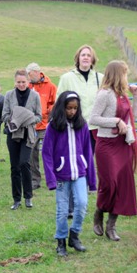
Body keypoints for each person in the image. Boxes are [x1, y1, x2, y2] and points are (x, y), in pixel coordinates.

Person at [89, 61, 137, 240]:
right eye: (125, 74)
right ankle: (99, 211)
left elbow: (134, 117)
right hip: (106, 145)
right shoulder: (104, 94)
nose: (127, 78)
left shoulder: (123, 95)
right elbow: (94, 118)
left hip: (122, 145)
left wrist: (135, 96)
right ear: (118, 75)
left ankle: (111, 226)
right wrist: (116, 121)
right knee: (109, 183)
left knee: (121, 185)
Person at [42, 92, 96, 256]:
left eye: (75, 108)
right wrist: (51, 179)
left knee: (82, 204)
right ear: (62, 107)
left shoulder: (82, 125)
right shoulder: (53, 126)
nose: (72, 111)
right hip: (61, 176)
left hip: (80, 173)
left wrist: (91, 180)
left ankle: (74, 236)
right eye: (68, 108)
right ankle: (61, 241)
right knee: (62, 211)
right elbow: (47, 153)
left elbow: (88, 152)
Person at [1, 69, 43, 210]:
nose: (21, 84)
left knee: (25, 163)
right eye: (18, 82)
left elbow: (39, 116)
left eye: (23, 82)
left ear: (28, 81)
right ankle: (17, 199)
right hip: (13, 135)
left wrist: (27, 119)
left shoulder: (35, 96)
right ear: (15, 82)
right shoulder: (9, 95)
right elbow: (4, 115)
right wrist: (15, 119)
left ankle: (28, 197)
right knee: (14, 167)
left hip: (28, 135)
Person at [57, 45, 103, 139]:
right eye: (83, 55)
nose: (86, 57)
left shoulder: (101, 78)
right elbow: (59, 102)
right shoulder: (67, 78)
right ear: (78, 58)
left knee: (92, 154)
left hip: (95, 128)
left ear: (92, 59)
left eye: (89, 55)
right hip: (74, 126)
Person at [26, 63, 57, 190]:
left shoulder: (50, 86)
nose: (28, 77)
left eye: (30, 74)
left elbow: (55, 103)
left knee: (49, 152)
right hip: (32, 125)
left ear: (37, 72)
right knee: (32, 154)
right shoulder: (27, 86)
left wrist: (48, 111)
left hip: (46, 125)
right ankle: (35, 180)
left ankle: (54, 178)